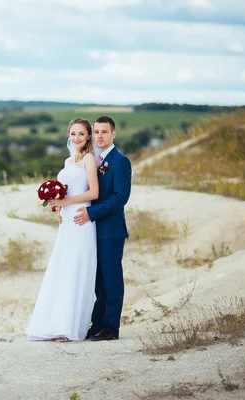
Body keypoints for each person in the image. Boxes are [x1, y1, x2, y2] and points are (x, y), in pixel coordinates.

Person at [25, 117, 100, 342]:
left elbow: (93, 193)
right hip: (66, 221)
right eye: (73, 133)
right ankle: (56, 324)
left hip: (81, 219)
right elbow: (66, 192)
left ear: (88, 136)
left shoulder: (89, 158)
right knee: (63, 268)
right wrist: (57, 206)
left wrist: (66, 204)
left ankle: (70, 328)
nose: (76, 137)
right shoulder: (69, 161)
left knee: (76, 269)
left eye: (81, 134)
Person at [73, 116, 132, 341]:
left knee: (111, 279)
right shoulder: (91, 159)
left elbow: (120, 197)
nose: (99, 136)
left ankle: (111, 327)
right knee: (97, 280)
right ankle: (97, 324)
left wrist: (92, 213)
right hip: (90, 231)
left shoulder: (120, 161)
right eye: (96, 132)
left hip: (110, 230)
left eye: (104, 132)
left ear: (113, 134)